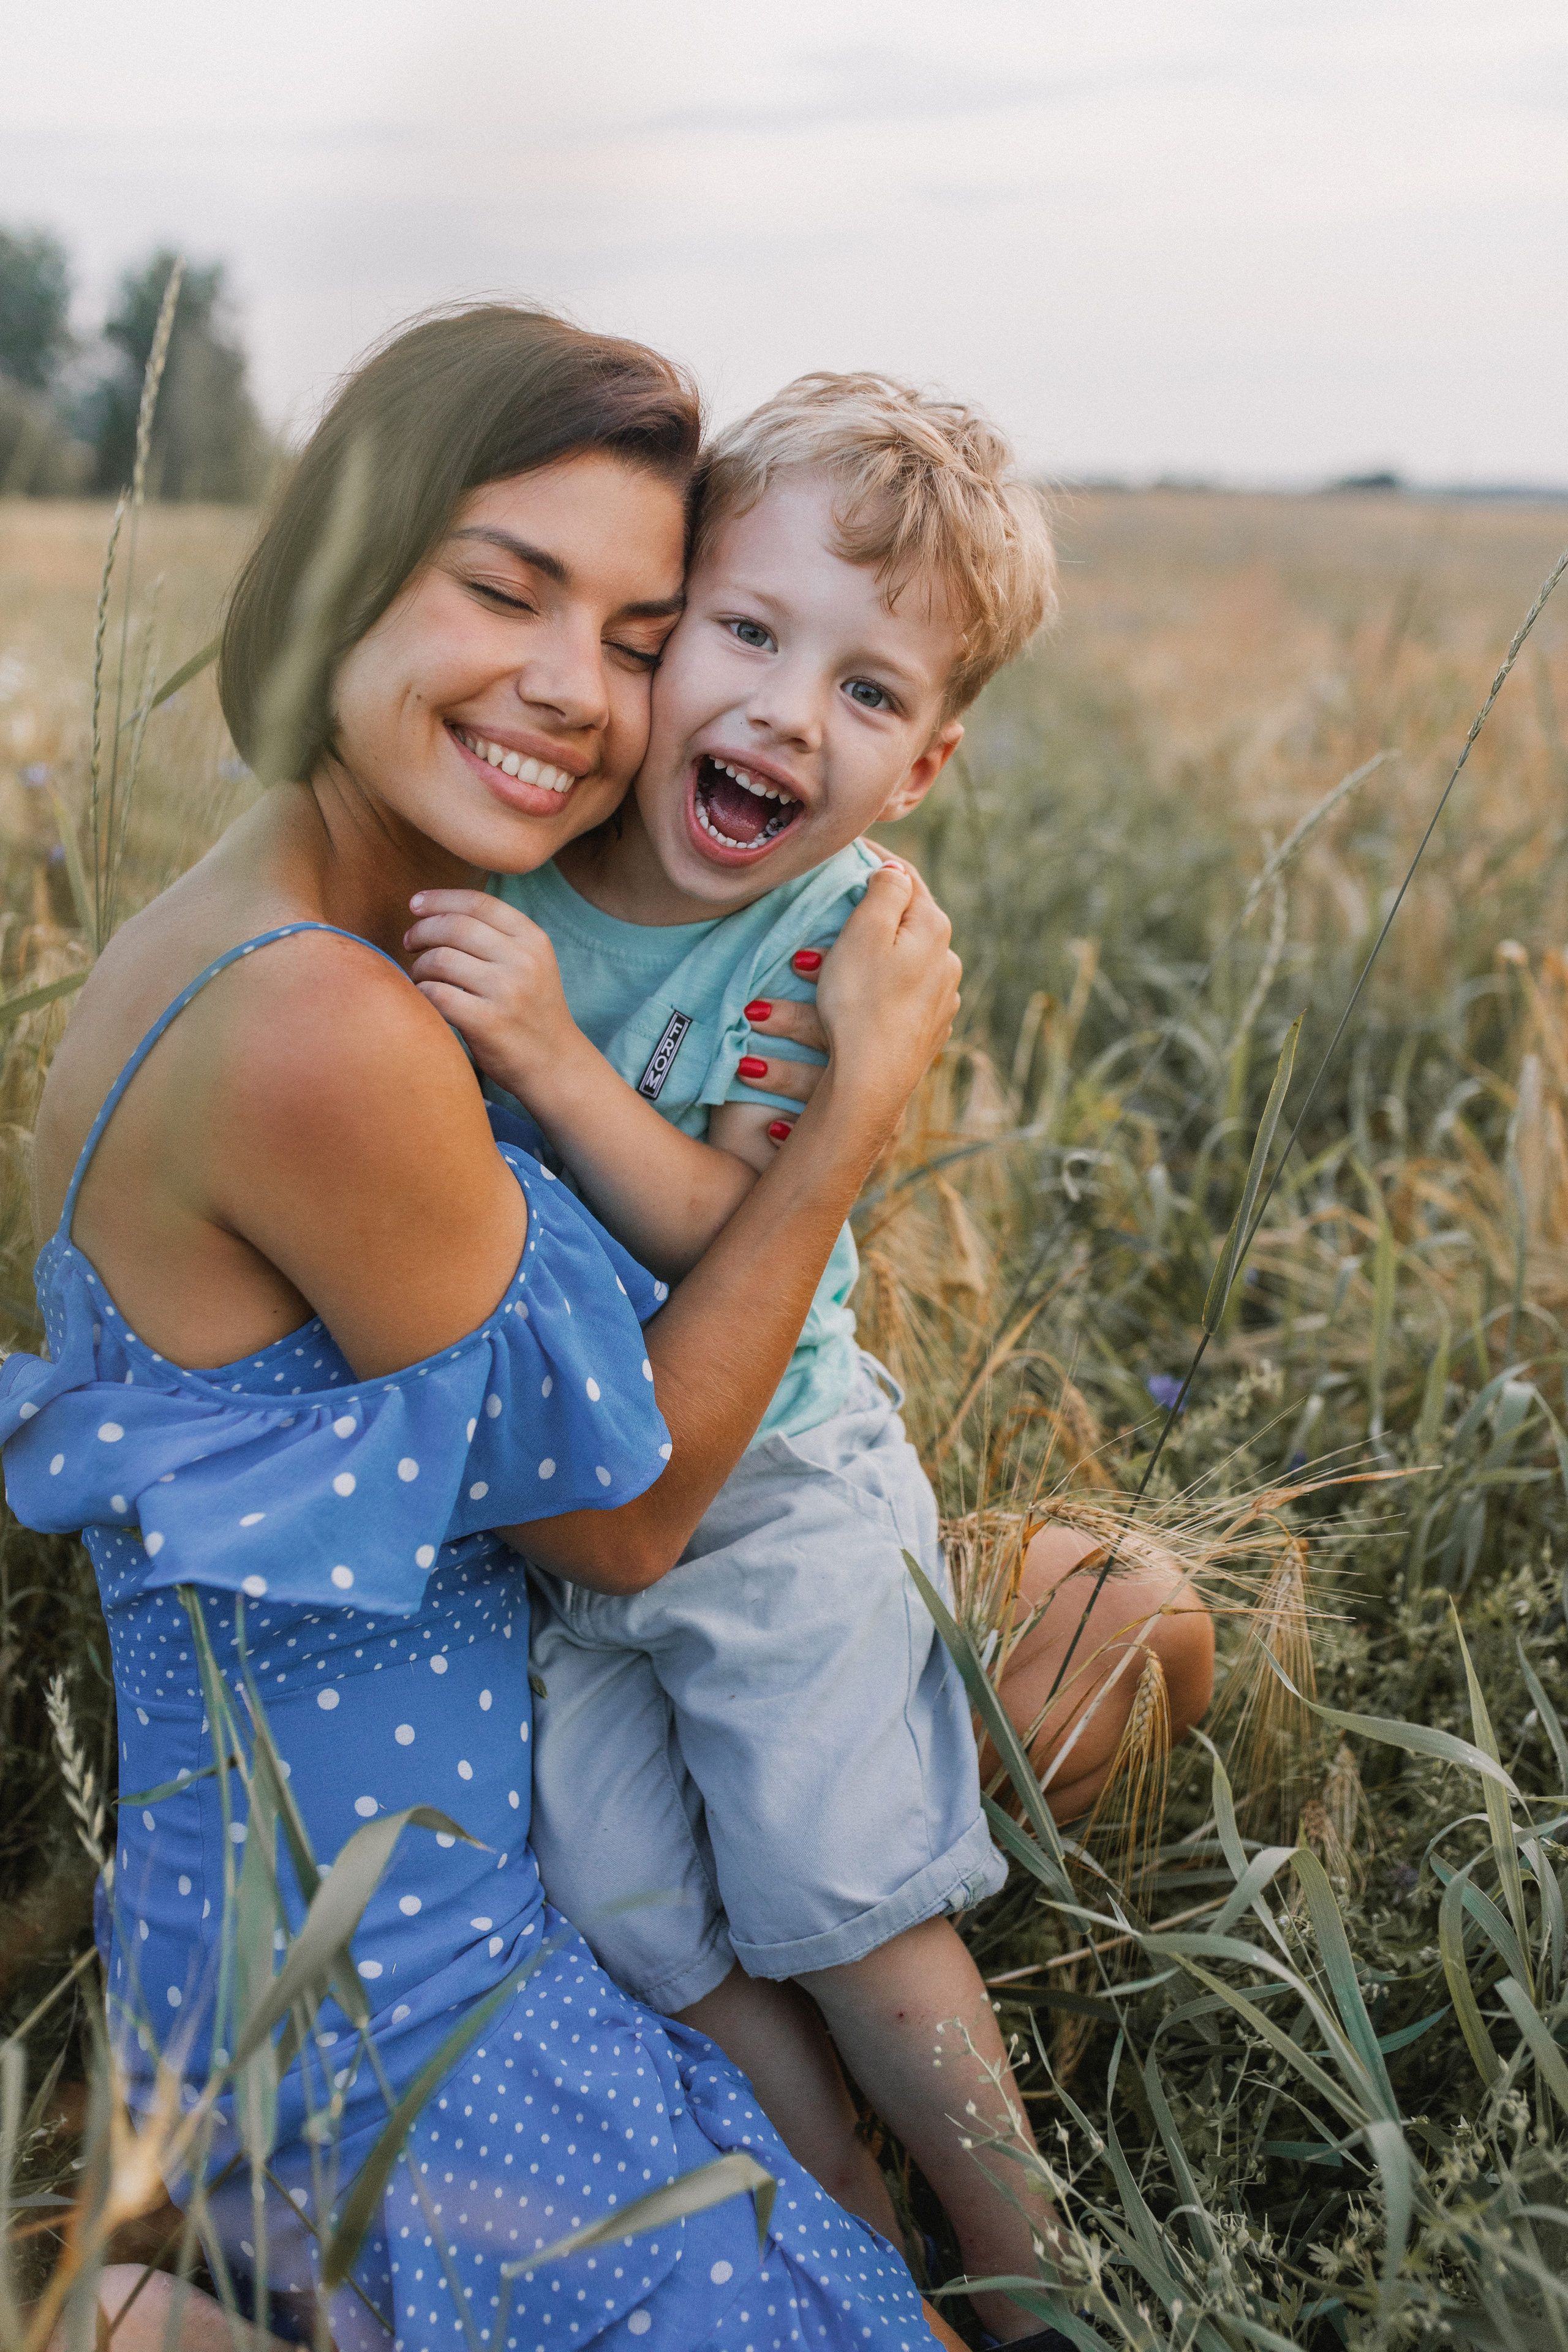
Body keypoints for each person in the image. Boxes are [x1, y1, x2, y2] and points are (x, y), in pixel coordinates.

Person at [2, 309, 973, 2352]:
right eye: (502, 589)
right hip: (385, 1991)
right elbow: (621, 1525)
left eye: (637, 634)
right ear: (341, 573)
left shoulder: (310, 918)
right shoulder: (319, 1019)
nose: (575, 691)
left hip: (352, 1920)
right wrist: (842, 1136)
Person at [393, 374, 1216, 2342]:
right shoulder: (528, 846)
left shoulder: (829, 940)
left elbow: (732, 1225)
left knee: (843, 1883)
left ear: (921, 767)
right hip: (558, 1502)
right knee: (634, 1909)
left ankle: (1022, 2262)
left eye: (867, 692)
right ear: (665, 638)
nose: (783, 713)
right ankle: (844, 2209)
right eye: (750, 636)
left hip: (767, 1473)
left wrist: (546, 1057)